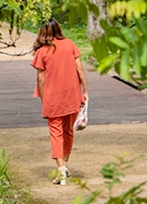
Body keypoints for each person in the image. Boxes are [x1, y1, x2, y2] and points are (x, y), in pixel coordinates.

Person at [31, 19, 89, 185]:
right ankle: (65, 164)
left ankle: (61, 169)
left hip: (53, 98)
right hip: (73, 95)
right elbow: (80, 69)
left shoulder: (42, 52)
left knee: (56, 133)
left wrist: (44, 100)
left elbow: (41, 79)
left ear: (42, 32)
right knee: (68, 131)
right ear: (58, 29)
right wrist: (85, 91)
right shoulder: (70, 45)